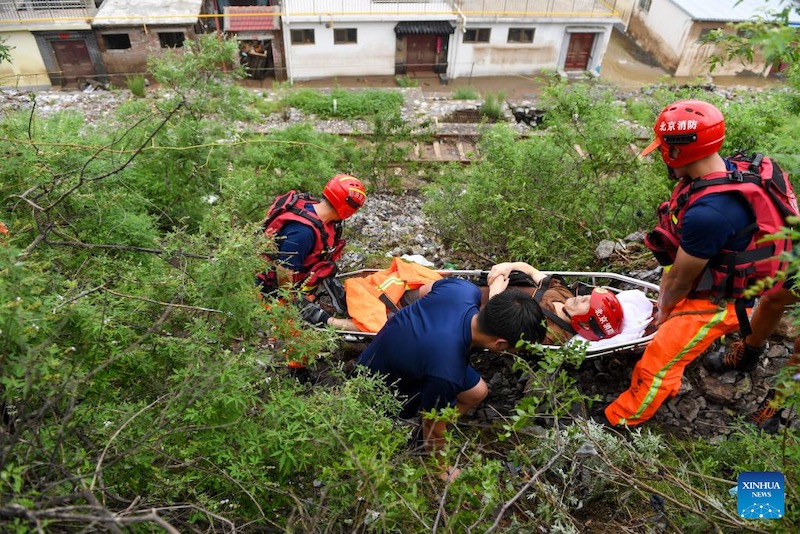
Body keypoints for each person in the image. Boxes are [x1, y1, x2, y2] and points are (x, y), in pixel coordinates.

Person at [604, 99, 793, 427]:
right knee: (673, 331)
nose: (662, 154)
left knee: (657, 360)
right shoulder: (733, 169)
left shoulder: (709, 215)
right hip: (763, 275)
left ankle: (621, 420)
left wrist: (664, 312)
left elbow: (679, 280)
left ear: (677, 152)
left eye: (664, 147)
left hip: (726, 301)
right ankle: (731, 355)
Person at [357, 276, 546, 481]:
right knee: (435, 420)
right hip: (380, 388)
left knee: (477, 391)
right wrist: (441, 467)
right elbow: (434, 425)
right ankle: (422, 446)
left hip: (389, 350)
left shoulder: (462, 289)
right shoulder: (447, 372)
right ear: (500, 343)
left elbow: (423, 292)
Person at [255, 174, 366, 320]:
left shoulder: (317, 214)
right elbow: (284, 271)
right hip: (270, 288)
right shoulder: (303, 233)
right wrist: (290, 303)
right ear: (348, 209)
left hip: (298, 277)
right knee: (318, 320)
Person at [487, 261, 626, 344]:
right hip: (491, 284)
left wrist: (495, 292)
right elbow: (531, 271)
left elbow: (498, 326)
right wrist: (508, 267)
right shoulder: (565, 296)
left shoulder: (551, 334)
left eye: (589, 304)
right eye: (590, 296)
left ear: (585, 324)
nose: (584, 296)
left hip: (480, 308)